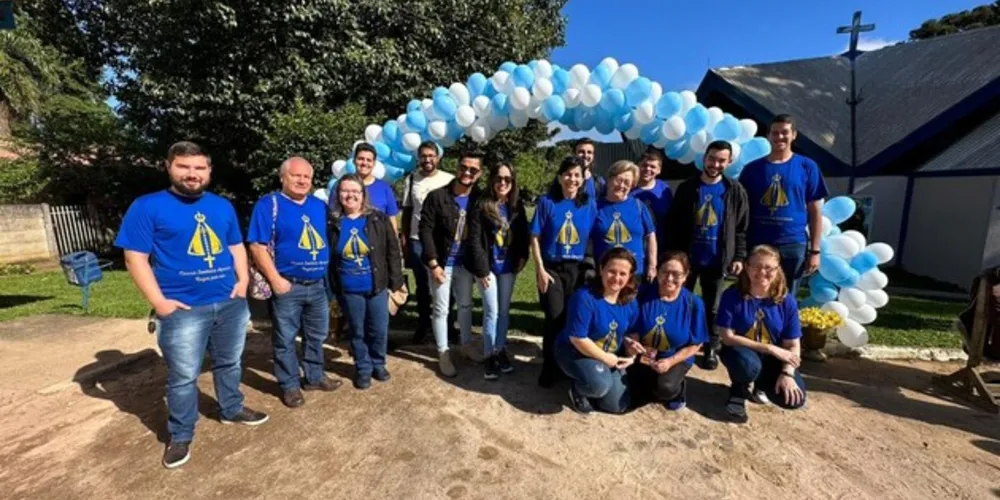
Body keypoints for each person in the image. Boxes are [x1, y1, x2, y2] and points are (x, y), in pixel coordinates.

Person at [115, 141, 268, 469]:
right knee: (183, 376)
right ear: (168, 166)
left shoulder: (221, 206)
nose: (192, 174)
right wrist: (159, 303)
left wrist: (242, 282)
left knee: (229, 362)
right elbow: (134, 257)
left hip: (228, 303)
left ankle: (231, 408)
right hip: (182, 310)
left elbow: (235, 246)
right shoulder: (147, 206)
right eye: (184, 167)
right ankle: (181, 434)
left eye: (199, 168)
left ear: (209, 171)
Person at [248, 157, 342, 409]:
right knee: (285, 338)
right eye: (296, 176)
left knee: (316, 334)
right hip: (287, 285)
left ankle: (314, 376)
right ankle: (289, 385)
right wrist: (276, 279)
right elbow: (256, 246)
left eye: (307, 177)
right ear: (283, 177)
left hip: (317, 284)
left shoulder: (319, 206)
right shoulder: (269, 205)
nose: (302, 181)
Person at [666, 140, 749, 370]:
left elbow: (741, 229)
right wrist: (674, 257)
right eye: (712, 158)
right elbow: (674, 224)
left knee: (713, 305)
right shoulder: (688, 188)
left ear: (729, 162)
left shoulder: (734, 191)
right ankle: (680, 341)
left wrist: (739, 257)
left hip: (717, 259)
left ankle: (711, 345)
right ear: (705, 157)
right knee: (682, 302)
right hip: (688, 259)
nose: (715, 164)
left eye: (721, 160)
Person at [328, 174, 405, 389]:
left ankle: (378, 363)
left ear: (363, 195)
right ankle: (362, 367)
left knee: (379, 329)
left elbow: (392, 250)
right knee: (357, 330)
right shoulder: (332, 223)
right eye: (345, 191)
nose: (350, 195)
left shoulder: (377, 219)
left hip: (377, 286)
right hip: (349, 289)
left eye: (355, 191)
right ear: (338, 194)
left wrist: (396, 281)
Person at [740, 114, 828, 298]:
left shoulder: (807, 166)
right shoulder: (752, 169)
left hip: (792, 243)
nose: (780, 137)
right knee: (753, 292)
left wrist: (815, 251)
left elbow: (815, 211)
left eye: (785, 132)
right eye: (775, 133)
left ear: (794, 135)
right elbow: (741, 211)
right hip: (758, 242)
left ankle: (783, 328)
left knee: (787, 296)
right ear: (768, 136)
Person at [716, 245, 807, 423]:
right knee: (747, 365)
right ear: (747, 267)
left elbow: (793, 344)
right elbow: (727, 336)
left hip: (774, 359)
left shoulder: (786, 301)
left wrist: (787, 373)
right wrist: (769, 348)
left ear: (777, 269)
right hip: (740, 352)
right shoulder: (732, 295)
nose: (761, 272)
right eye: (756, 266)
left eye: (768, 268)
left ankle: (762, 386)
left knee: (795, 399)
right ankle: (738, 390)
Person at [530, 156, 597, 387]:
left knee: (573, 319)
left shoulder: (588, 204)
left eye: (577, 174)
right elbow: (535, 237)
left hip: (577, 270)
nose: (572, 178)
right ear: (559, 177)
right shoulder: (547, 202)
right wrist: (539, 269)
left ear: (582, 179)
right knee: (555, 317)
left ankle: (567, 365)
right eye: (567, 174)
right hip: (552, 269)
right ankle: (549, 366)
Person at [419, 150, 485, 377]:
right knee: (441, 308)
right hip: (442, 262)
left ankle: (466, 344)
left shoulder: (479, 198)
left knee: (466, 305)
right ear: (457, 168)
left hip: (465, 264)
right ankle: (443, 352)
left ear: (479, 173)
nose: (467, 172)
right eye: (463, 167)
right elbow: (425, 230)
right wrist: (433, 264)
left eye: (473, 170)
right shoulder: (437, 196)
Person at [554, 248, 643, 415]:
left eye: (623, 274)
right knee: (598, 385)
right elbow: (578, 338)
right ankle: (578, 389)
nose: (616, 278)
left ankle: (595, 378)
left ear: (630, 276)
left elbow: (632, 331)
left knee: (617, 406)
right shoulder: (585, 297)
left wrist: (632, 351)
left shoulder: (630, 301)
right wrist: (605, 358)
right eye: (611, 271)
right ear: (601, 269)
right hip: (575, 351)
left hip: (608, 355)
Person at [466, 161, 529, 380]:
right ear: (492, 180)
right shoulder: (481, 205)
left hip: (508, 266)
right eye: (499, 178)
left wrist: (521, 260)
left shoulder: (516, 206)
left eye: (507, 179)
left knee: (504, 311)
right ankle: (489, 354)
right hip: (488, 268)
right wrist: (482, 270)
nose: (503, 183)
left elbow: (523, 237)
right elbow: (474, 240)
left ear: (513, 182)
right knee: (491, 310)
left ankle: (501, 349)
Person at [628, 252, 708, 411]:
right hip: (645, 354)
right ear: (657, 272)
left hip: (674, 356)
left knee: (665, 388)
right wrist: (635, 346)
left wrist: (670, 361)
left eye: (677, 274)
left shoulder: (694, 303)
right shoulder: (643, 294)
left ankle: (677, 390)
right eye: (665, 272)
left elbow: (696, 344)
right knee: (632, 390)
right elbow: (633, 328)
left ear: (685, 276)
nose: (670, 279)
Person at [400, 142, 454, 344]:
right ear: (418, 158)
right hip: (417, 241)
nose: (427, 160)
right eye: (423, 156)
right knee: (422, 285)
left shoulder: (448, 179)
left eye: (431, 155)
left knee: (445, 284)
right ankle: (423, 324)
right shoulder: (411, 179)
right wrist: (404, 239)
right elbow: (407, 211)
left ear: (438, 158)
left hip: (443, 242)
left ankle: (447, 325)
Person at [592, 160, 657, 283]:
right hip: (606, 273)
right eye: (618, 180)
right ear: (610, 179)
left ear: (632, 185)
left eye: (627, 182)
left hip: (635, 272)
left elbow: (651, 236)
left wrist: (652, 265)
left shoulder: (639, 206)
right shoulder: (595, 207)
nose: (622, 185)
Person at [351, 143, 400, 234]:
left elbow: (391, 219)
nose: (364, 163)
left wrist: (395, 244)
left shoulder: (384, 188)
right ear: (354, 161)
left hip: (378, 243)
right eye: (361, 159)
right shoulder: (342, 187)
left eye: (369, 160)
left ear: (374, 164)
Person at [630, 148, 673, 250]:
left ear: (659, 170)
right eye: (644, 165)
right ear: (637, 166)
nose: (648, 169)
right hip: (635, 245)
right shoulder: (628, 188)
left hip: (661, 244)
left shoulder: (664, 189)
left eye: (652, 167)